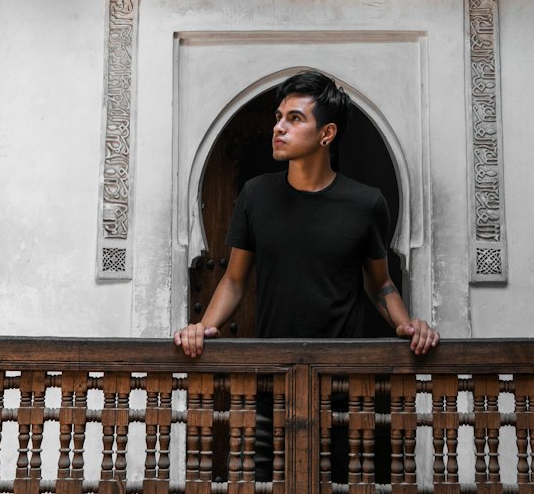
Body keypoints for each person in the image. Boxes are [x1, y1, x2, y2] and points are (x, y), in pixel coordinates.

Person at [175, 70, 438, 355]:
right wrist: (202, 327)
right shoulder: (255, 194)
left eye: (295, 118)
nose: (279, 127)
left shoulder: (366, 202)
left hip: (342, 373)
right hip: (274, 373)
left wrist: (406, 325)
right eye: (278, 117)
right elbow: (235, 280)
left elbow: (379, 284)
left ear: (327, 133)